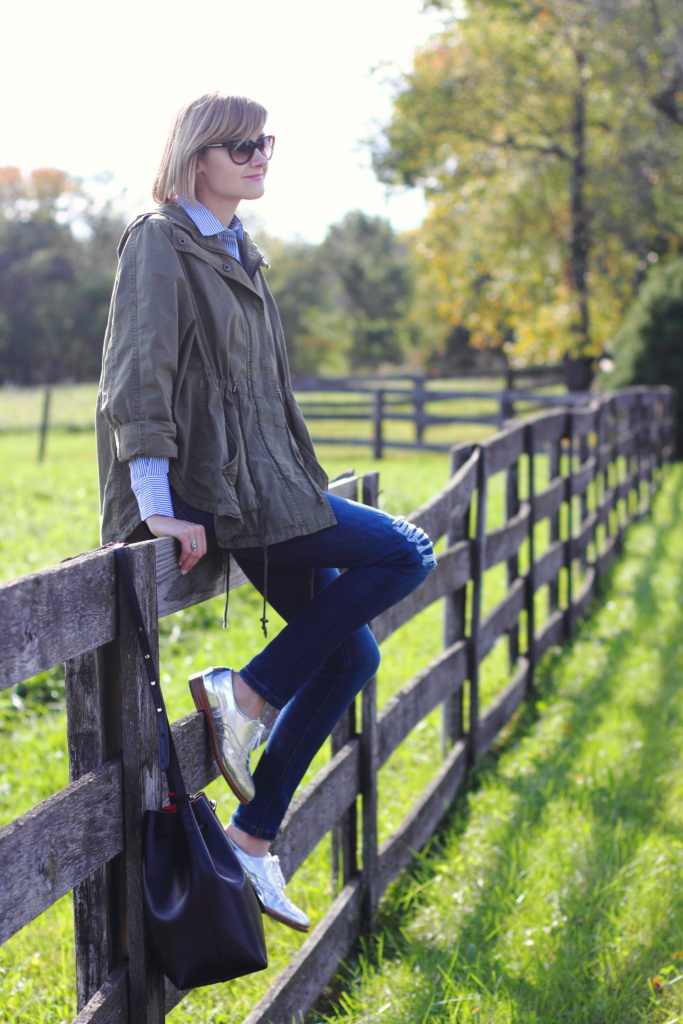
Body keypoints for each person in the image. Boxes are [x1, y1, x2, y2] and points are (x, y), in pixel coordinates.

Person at [96, 92, 436, 933]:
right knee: (406, 552)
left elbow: (262, 394)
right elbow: (138, 377)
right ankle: (244, 696)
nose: (258, 157)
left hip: (271, 484)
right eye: (238, 145)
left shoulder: (239, 249)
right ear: (195, 157)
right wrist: (157, 507)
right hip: (225, 494)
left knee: (350, 656)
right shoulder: (158, 242)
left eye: (264, 143)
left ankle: (251, 836)